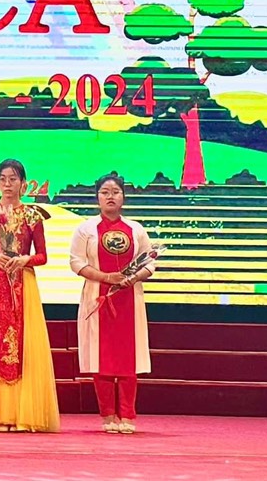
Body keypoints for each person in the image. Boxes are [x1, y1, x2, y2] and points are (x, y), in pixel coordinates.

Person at [0, 159, 60, 433]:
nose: (7, 184)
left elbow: (42, 256)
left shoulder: (33, 215)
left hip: (23, 283)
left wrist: (24, 260)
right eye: (3, 179)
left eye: (13, 179)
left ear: (23, 183)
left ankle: (21, 414)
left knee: (23, 344)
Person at [69, 172, 156, 434]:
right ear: (97, 197)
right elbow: (76, 262)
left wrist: (133, 278)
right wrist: (106, 277)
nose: (110, 197)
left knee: (128, 358)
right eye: (105, 192)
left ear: (123, 197)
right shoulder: (86, 229)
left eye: (115, 192)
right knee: (101, 358)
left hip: (129, 300)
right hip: (98, 299)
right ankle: (107, 414)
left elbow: (150, 262)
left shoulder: (136, 229)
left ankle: (127, 414)